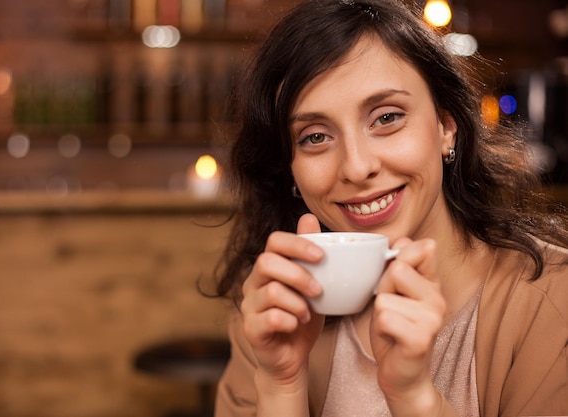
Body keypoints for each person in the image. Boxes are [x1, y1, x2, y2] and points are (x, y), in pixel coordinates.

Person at [211, 0, 568, 416]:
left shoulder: (552, 300)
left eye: (387, 118)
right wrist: (281, 385)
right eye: (314, 137)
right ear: (290, 169)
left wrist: (415, 398)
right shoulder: (271, 311)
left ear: (445, 128)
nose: (357, 167)